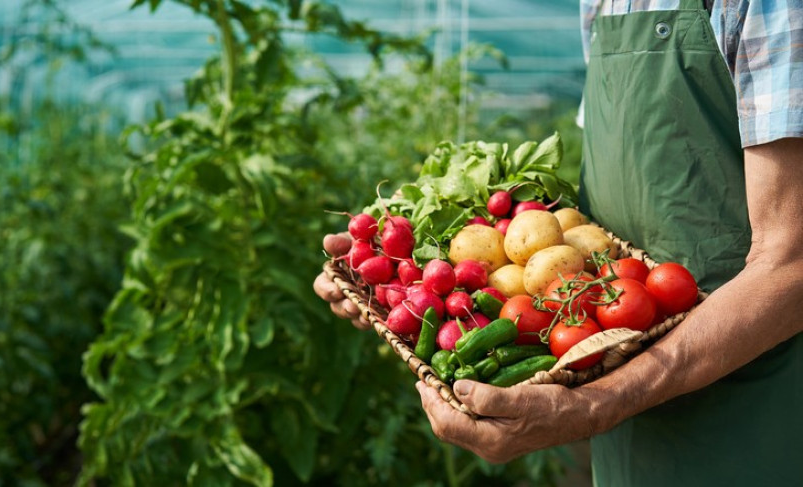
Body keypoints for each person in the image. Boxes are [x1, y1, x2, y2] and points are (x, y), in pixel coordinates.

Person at [314, 0, 803, 485]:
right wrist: (396, 283)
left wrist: (592, 406)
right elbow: (635, 185)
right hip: (625, 396)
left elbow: (791, 265)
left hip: (749, 411)